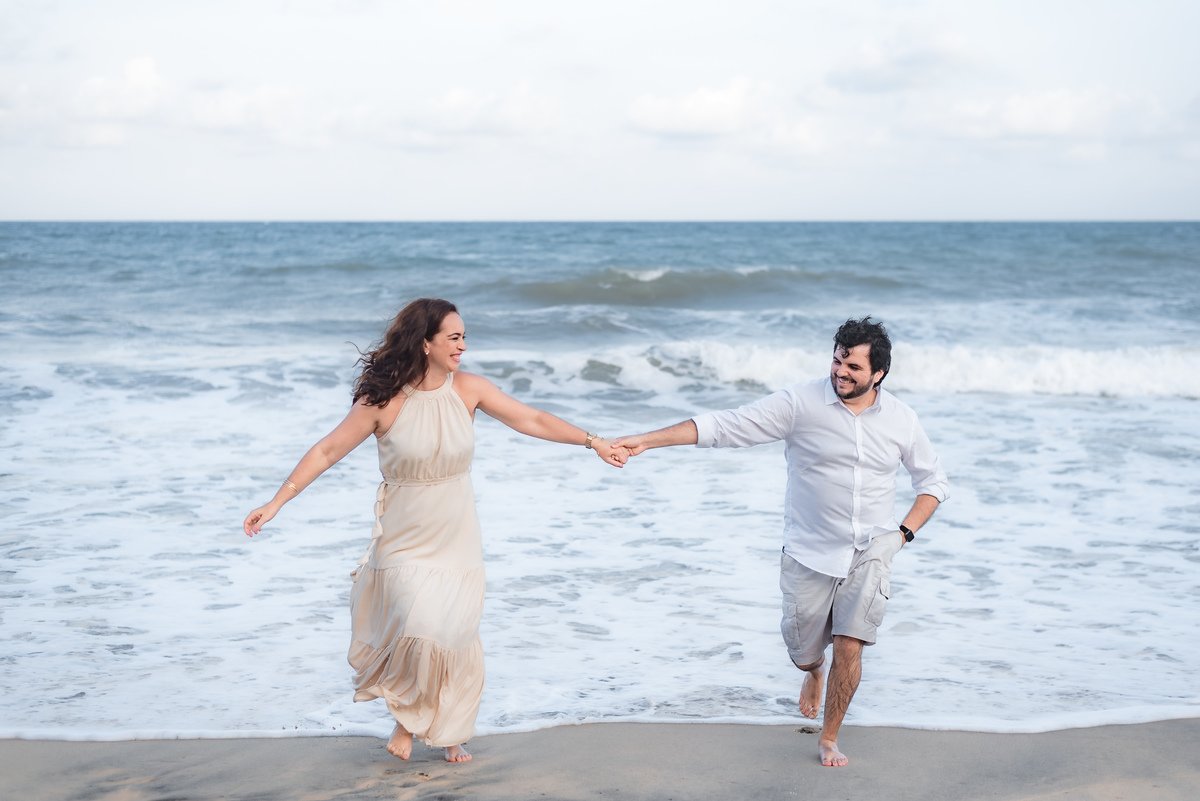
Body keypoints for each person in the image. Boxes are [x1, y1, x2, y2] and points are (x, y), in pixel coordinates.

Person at [243, 298, 629, 763]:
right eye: (454, 337)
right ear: (425, 343)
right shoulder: (382, 401)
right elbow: (327, 451)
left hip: (456, 533)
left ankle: (448, 730)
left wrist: (593, 442)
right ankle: (408, 719)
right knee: (420, 625)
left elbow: (531, 419)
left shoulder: (469, 390)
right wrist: (276, 502)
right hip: (403, 538)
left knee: (453, 634)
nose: (463, 346)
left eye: (464, 337)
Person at [613, 317, 948, 767]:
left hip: (872, 550)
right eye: (837, 360)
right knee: (802, 650)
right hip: (809, 552)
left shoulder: (902, 419)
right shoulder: (800, 403)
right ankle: (814, 671)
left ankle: (829, 738)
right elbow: (727, 426)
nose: (840, 372)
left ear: (879, 373)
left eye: (853, 366)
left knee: (851, 643)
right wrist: (647, 441)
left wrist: (901, 536)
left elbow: (933, 483)